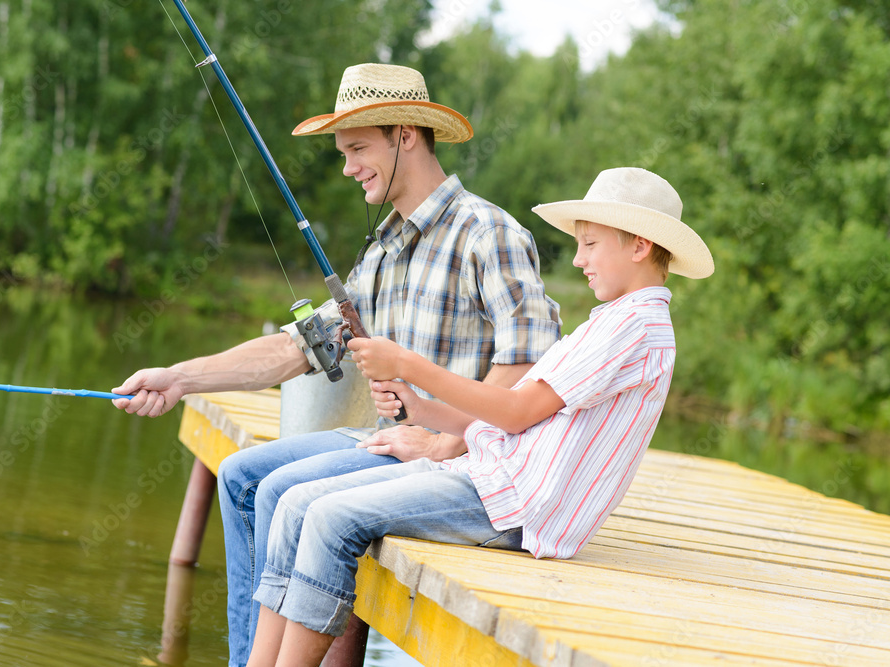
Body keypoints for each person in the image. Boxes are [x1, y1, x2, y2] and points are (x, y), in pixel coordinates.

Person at [111, 63, 561, 667]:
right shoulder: (383, 250)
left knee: (282, 493)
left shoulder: (488, 234)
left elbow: (531, 364)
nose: (347, 167)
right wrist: (180, 377)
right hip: (389, 443)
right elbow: (297, 347)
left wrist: (445, 442)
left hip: (462, 464)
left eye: (356, 148)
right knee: (244, 476)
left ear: (405, 134)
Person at [246, 167, 715, 666]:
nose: (579, 260)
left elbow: (515, 413)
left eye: (591, 244)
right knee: (296, 504)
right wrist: (424, 411)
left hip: (514, 506)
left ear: (639, 246)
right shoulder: (616, 320)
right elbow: (522, 422)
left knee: (327, 517)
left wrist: (408, 363)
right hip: (490, 480)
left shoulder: (637, 328)